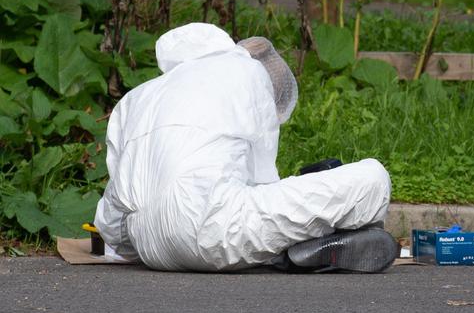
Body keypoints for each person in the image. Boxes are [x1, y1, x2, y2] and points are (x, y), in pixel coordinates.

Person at [94, 23, 398, 272]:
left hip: (149, 249)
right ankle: (296, 247)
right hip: (214, 233)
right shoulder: (246, 72)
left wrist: (149, 244)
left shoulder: (136, 98)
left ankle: (299, 250)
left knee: (233, 219)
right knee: (374, 179)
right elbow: (262, 181)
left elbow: (111, 220)